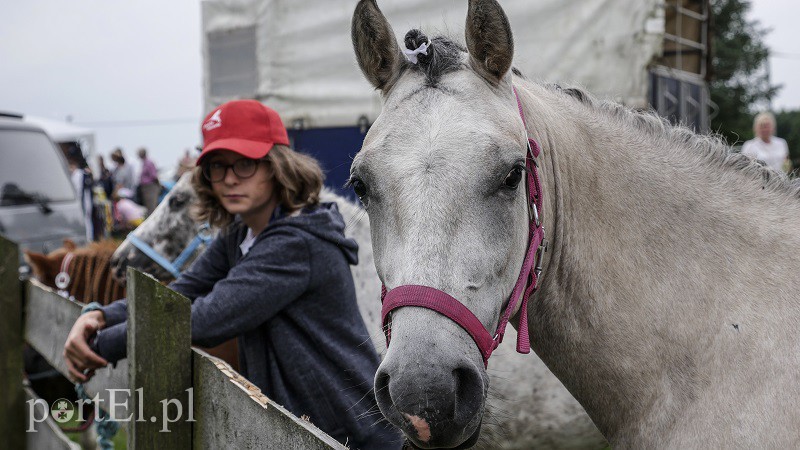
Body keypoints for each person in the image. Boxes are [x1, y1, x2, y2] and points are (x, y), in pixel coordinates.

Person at [63, 99, 402, 449]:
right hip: (300, 432)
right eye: (217, 166)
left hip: (350, 436)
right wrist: (100, 316)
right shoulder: (241, 234)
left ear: (277, 167)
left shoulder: (297, 243)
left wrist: (99, 345)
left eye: (244, 164)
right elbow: (180, 293)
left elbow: (206, 319)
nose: (228, 179)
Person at [137, 147, 161, 214]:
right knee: (148, 206)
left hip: (150, 187)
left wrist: (158, 185)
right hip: (145, 188)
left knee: (151, 206)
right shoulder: (144, 163)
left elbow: (154, 176)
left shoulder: (149, 163)